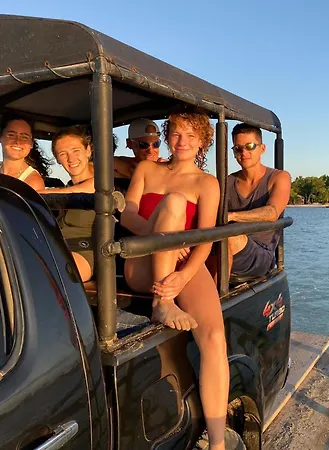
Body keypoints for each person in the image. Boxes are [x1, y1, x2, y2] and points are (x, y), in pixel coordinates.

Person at [120, 110, 228, 450]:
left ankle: (218, 441)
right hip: (143, 264)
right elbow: (127, 216)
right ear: (167, 136)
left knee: (214, 338)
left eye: (191, 136)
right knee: (175, 202)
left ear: (202, 142)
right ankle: (162, 304)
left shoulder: (207, 183)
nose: (182, 141)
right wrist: (163, 236)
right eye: (177, 133)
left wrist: (182, 274)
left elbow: (205, 240)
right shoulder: (147, 169)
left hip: (184, 265)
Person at [227, 123, 291, 278]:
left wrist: (232, 216)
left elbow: (272, 212)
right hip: (228, 244)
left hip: (261, 255)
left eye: (250, 146)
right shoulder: (227, 181)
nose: (244, 152)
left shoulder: (279, 177)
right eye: (238, 148)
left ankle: (216, 291)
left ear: (262, 148)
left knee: (227, 235)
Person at [40, 125, 95, 282]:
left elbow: (83, 190)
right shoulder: (66, 187)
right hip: (55, 247)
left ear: (88, 150)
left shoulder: (101, 182)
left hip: (84, 252)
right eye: (63, 154)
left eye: (76, 151)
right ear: (57, 159)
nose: (71, 159)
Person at [0, 114, 52, 190]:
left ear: (31, 143)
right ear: (1, 138)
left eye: (24, 137)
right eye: (11, 135)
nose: (17, 142)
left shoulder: (33, 182)